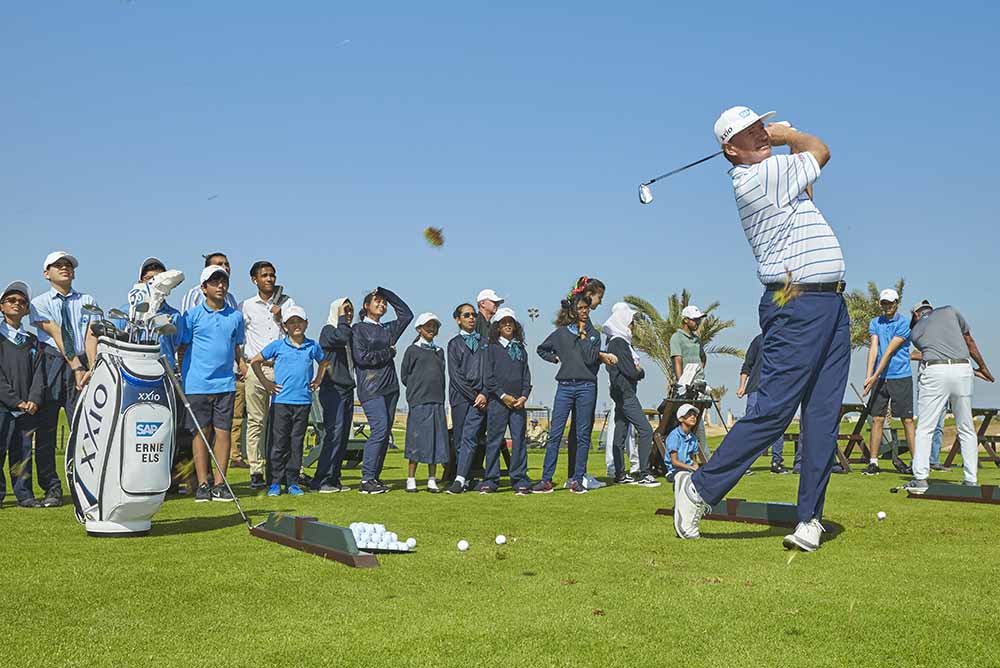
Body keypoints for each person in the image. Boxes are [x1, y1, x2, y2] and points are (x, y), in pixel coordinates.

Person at [673, 106, 848, 553]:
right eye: (752, 132)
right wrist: (787, 134)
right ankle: (699, 489)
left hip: (829, 301)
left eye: (762, 126)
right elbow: (821, 149)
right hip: (796, 300)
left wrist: (779, 142)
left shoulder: (776, 176)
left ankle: (809, 517)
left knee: (823, 416)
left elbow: (808, 186)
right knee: (773, 412)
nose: (762, 134)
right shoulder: (757, 178)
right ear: (732, 149)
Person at [876, 300, 994, 493]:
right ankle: (971, 480)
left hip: (934, 371)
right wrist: (982, 368)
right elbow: (969, 342)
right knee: (966, 427)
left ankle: (921, 479)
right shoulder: (950, 310)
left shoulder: (915, 332)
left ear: (916, 315)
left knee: (925, 428)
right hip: (963, 368)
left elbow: (928, 354)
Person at [29, 251, 100, 507]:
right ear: (46, 273)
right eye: (58, 265)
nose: (64, 268)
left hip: (81, 365)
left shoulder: (88, 300)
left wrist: (91, 368)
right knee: (47, 432)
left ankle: (86, 486)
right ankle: (52, 488)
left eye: (68, 265)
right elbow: (58, 334)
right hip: (51, 364)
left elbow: (92, 335)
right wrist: (77, 365)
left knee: (84, 430)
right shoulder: (39, 302)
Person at [176, 265, 246, 503]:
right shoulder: (192, 315)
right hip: (197, 384)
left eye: (224, 282)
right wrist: (186, 377)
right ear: (203, 288)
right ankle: (203, 483)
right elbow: (182, 348)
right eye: (215, 282)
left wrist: (242, 365)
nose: (221, 286)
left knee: (223, 433)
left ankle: (220, 484)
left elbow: (236, 346)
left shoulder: (235, 317)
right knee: (201, 434)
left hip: (225, 383)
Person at [251, 305, 326, 497]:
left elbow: (324, 362)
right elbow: (255, 361)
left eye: (299, 321)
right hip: (281, 401)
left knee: (296, 442)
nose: (296, 325)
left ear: (306, 323)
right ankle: (275, 482)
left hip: (303, 402)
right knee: (279, 443)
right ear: (285, 326)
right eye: (291, 322)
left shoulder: (312, 346)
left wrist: (318, 380)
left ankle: (292, 482)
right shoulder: (278, 346)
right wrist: (267, 383)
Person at [533, 293, 602, 494]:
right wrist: (554, 358)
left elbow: (590, 358)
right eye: (580, 308)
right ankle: (546, 480)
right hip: (564, 387)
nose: (584, 312)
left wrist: (582, 336)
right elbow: (541, 349)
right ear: (572, 311)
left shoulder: (594, 335)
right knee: (555, 435)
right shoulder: (560, 334)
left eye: (586, 308)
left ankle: (577, 479)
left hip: (586, 387)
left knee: (582, 436)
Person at [240, 260, 295, 489]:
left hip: (282, 367)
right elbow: (239, 337)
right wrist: (241, 365)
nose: (269, 279)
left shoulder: (287, 302)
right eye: (264, 275)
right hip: (256, 367)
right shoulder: (247, 306)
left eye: (272, 275)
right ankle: (256, 470)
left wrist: (281, 316)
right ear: (255, 279)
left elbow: (296, 332)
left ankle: (286, 470)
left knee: (284, 421)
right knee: (256, 421)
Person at [352, 287, 413, 494]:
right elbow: (361, 358)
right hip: (370, 387)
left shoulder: (387, 329)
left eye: (383, 302)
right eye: (377, 301)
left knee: (385, 432)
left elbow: (406, 314)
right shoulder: (358, 329)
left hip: (390, 388)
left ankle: (374, 478)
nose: (381, 304)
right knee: (379, 429)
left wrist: (387, 293)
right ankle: (366, 479)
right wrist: (388, 353)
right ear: (366, 306)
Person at [602, 302, 659, 487]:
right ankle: (644, 473)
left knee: (620, 433)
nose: (633, 326)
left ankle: (620, 474)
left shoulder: (615, 341)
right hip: (625, 392)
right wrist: (640, 371)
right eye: (631, 322)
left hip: (620, 392)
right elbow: (631, 371)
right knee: (645, 430)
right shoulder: (619, 342)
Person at [0, 281, 46, 508]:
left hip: (27, 409)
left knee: (22, 454)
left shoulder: (32, 341)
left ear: (27, 309)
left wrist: (34, 400)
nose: (16, 304)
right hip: (3, 406)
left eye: (21, 302)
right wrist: (15, 401)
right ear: (2, 306)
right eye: (11, 300)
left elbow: (39, 374)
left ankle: (25, 495)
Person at [861, 288, 916, 475]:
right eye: (884, 303)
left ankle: (917, 463)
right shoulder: (875, 323)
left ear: (897, 303)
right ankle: (874, 462)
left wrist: (874, 376)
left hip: (900, 376)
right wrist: (869, 376)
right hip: (880, 378)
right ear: (880, 304)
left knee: (907, 420)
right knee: (877, 419)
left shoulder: (904, 324)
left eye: (890, 303)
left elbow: (889, 351)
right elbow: (874, 348)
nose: (887, 306)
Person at [480, 307, 534, 494]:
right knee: (494, 440)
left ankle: (519, 479)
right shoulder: (491, 348)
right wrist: (503, 396)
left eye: (510, 322)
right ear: (498, 326)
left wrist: (523, 397)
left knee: (519, 440)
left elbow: (526, 377)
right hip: (498, 402)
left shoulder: (520, 349)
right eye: (504, 322)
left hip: (518, 403)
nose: (507, 325)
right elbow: (489, 377)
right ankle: (491, 480)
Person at [400, 313, 449, 493]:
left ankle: (431, 479)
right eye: (427, 325)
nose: (431, 329)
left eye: (434, 326)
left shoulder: (439, 351)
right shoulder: (412, 350)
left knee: (436, 441)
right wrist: (416, 390)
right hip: (419, 401)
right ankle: (411, 479)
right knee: (416, 440)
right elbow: (405, 375)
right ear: (419, 328)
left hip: (437, 401)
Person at [312, 297, 355, 493]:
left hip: (346, 389)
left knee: (343, 435)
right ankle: (322, 480)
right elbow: (342, 337)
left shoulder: (346, 330)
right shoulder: (328, 330)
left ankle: (334, 477)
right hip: (332, 389)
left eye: (350, 310)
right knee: (334, 434)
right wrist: (342, 320)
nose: (348, 314)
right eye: (344, 310)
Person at [736, 333, 788, 474]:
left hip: (776, 391)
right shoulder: (759, 340)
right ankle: (744, 464)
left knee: (777, 425)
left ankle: (776, 462)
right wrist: (742, 386)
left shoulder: (785, 339)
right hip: (755, 389)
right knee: (750, 425)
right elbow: (747, 364)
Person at [444, 303, 483, 485]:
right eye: (466, 315)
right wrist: (474, 395)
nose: (471, 318)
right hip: (461, 398)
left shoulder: (484, 343)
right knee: (460, 439)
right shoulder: (454, 344)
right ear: (458, 319)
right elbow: (456, 376)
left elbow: (489, 371)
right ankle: (463, 477)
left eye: (473, 314)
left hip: (481, 400)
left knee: (473, 437)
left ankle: (465, 476)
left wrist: (483, 394)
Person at [670, 304, 708, 450]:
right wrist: (682, 383)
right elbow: (677, 360)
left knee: (699, 422)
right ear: (685, 320)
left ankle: (703, 457)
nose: (697, 323)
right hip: (685, 387)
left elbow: (703, 358)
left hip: (699, 385)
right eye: (694, 320)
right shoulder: (676, 337)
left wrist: (699, 372)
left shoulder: (697, 339)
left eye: (699, 320)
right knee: (687, 422)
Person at [664, 404, 702, 483]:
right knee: (686, 480)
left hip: (688, 470)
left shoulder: (693, 438)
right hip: (674, 471)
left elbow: (694, 459)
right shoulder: (674, 436)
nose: (693, 417)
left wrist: (696, 468)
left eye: (694, 415)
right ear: (681, 419)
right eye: (689, 415)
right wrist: (691, 468)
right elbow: (674, 462)